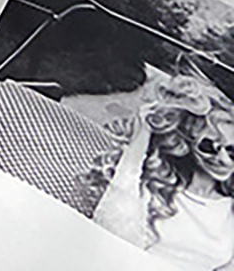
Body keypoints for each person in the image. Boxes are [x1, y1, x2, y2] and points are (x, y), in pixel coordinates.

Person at [92, 70, 234, 267]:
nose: (223, 159)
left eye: (232, 151)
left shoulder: (229, 210)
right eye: (209, 146)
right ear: (188, 144)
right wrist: (142, 135)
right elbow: (110, 229)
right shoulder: (156, 187)